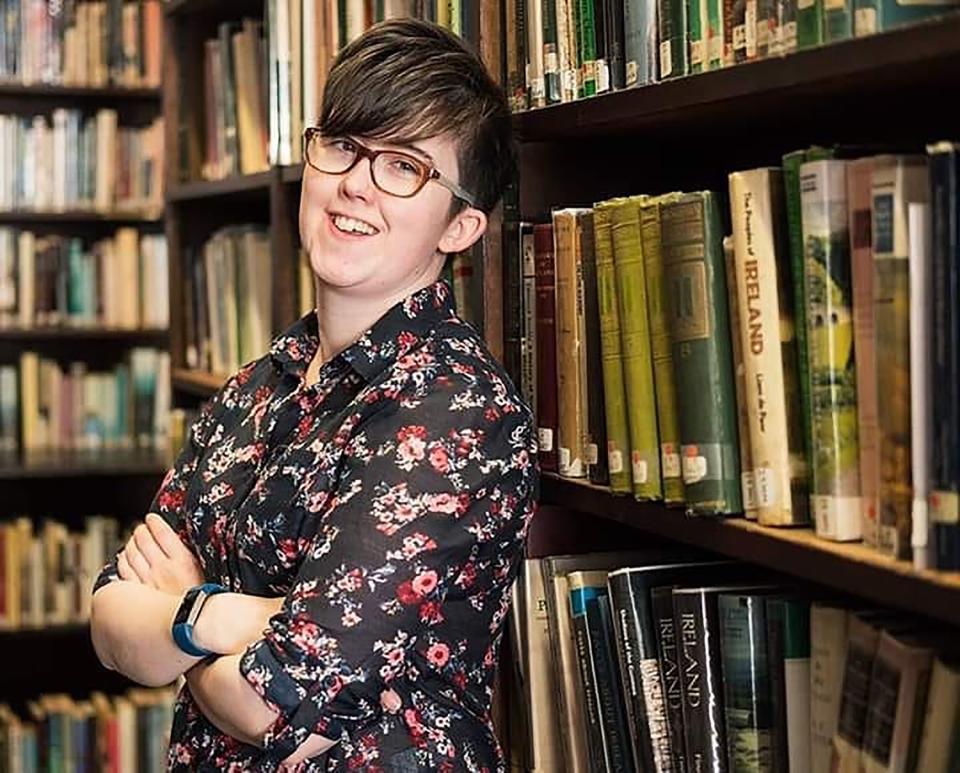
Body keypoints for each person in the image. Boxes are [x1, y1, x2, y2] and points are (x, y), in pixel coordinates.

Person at [90, 17, 538, 772]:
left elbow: (274, 705)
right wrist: (225, 616)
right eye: (342, 145)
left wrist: (178, 617)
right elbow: (109, 619)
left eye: (404, 166)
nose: (356, 181)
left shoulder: (457, 414)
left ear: (460, 226)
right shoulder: (256, 385)